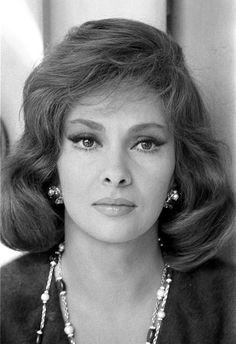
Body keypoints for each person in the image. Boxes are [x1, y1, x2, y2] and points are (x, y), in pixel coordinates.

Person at [1, 18, 235, 344]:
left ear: (178, 168)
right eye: (87, 140)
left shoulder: (227, 306)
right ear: (50, 162)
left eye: (145, 143)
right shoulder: (4, 307)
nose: (116, 172)